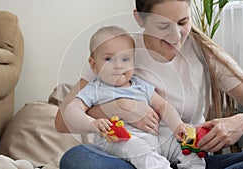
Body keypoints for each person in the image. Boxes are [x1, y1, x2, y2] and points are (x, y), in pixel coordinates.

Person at [55, 0, 243, 168]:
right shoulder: (116, 50)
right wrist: (119, 107)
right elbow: (63, 120)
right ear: (139, 18)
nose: (176, 36)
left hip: (185, 153)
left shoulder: (204, 53)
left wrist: (240, 122)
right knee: (78, 159)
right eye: (163, 27)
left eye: (183, 22)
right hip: (130, 159)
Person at [62, 25, 205, 169]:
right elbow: (71, 111)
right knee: (138, 148)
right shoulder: (95, 89)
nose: (118, 65)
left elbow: (162, 105)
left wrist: (178, 125)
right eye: (109, 59)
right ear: (94, 65)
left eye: (125, 59)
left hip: (156, 139)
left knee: (185, 145)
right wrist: (92, 124)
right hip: (121, 141)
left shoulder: (140, 85)